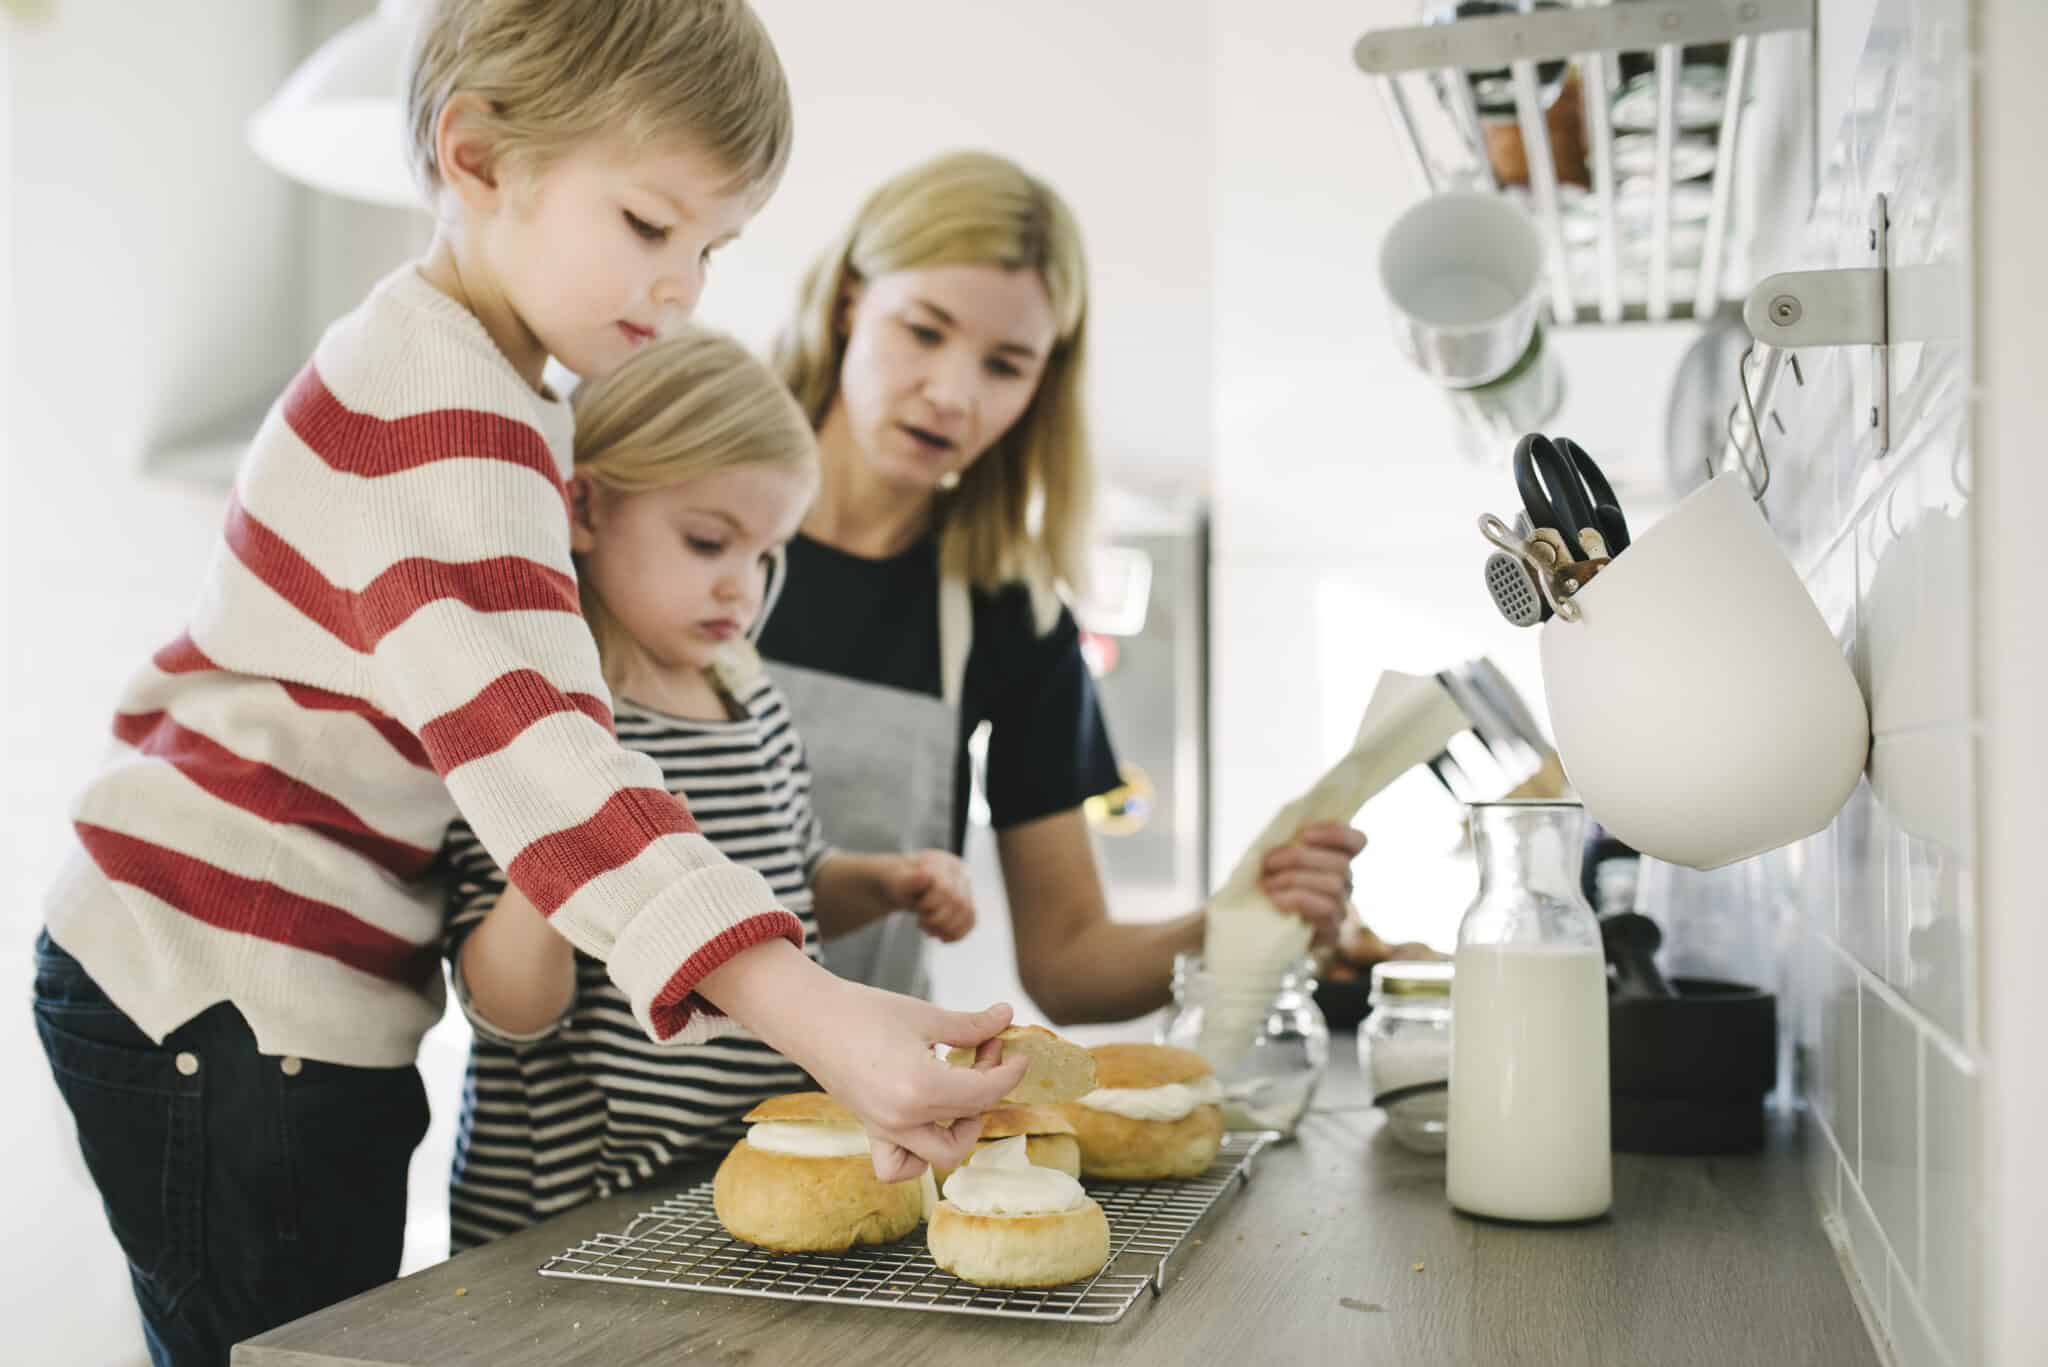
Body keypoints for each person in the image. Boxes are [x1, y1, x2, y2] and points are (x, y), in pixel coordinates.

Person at [30, 10, 1018, 1363]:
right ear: (480, 156)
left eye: (711, 248)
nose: (681, 289)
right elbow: (546, 757)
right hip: (221, 976)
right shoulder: (446, 410)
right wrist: (822, 1011)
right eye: (650, 224)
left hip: (253, 989)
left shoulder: (492, 392)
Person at [759, 150, 1365, 1025]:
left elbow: (1069, 963)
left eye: (1006, 365)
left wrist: (1245, 914)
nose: (954, 394)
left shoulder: (1007, 611)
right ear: (852, 299)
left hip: (854, 1128)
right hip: (587, 1120)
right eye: (924, 332)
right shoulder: (671, 497)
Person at [442, 327, 980, 1249]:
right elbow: (506, 1007)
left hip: (738, 1168)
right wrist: (571, 847)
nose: (743, 587)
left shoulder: (748, 693)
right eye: (707, 541)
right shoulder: (537, 719)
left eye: (767, 555)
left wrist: (884, 882)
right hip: (573, 1208)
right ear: (582, 506)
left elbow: (787, 880)